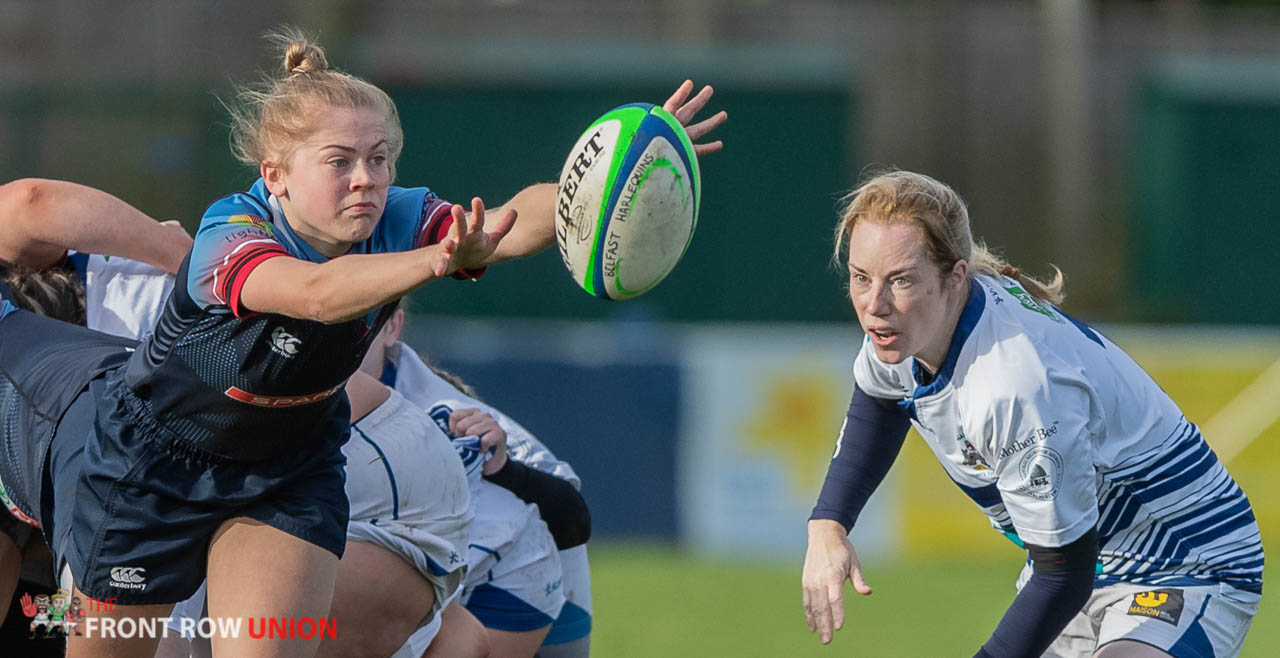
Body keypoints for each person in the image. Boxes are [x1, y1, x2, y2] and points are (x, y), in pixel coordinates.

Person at [1, 31, 724, 658]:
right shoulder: (232, 233)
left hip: (290, 467)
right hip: (150, 469)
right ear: (275, 177)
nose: (366, 180)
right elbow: (318, 296)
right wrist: (438, 258)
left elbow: (510, 222)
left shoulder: (394, 219)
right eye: (341, 161)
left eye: (380, 160)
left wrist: (601, 181)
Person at [801, 170, 1263, 658]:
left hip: (1184, 565)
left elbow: (1063, 574)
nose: (874, 305)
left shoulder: (1013, 386)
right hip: (1081, 565)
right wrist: (828, 525)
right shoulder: (905, 331)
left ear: (956, 277)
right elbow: (880, 398)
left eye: (901, 280)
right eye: (860, 277)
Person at [359, 309, 594, 657]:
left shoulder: (444, 412)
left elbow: (571, 519)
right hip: (428, 594)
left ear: (393, 326)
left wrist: (502, 469)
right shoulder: (276, 385)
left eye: (355, 320)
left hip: (511, 602)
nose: (328, 337)